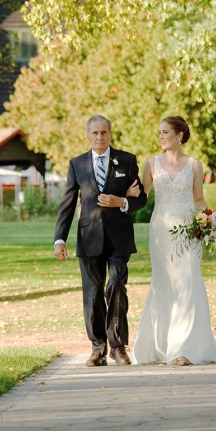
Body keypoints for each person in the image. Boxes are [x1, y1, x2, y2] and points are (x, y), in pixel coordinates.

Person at [53, 115, 148, 367]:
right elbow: (68, 203)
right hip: (89, 238)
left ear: (110, 134)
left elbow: (141, 198)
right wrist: (59, 238)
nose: (99, 137)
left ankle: (118, 347)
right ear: (88, 136)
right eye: (94, 133)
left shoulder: (127, 160)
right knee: (93, 293)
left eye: (104, 132)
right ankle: (97, 348)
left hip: (119, 237)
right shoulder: (77, 164)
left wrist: (123, 201)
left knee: (116, 285)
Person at [130, 117, 216, 365]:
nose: (161, 137)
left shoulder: (195, 165)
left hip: (189, 230)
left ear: (179, 135)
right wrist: (124, 196)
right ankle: (160, 346)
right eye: (159, 133)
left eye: (166, 132)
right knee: (163, 282)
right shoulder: (151, 163)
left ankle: (185, 349)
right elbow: (142, 195)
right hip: (160, 230)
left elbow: (199, 200)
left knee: (188, 281)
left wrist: (215, 222)